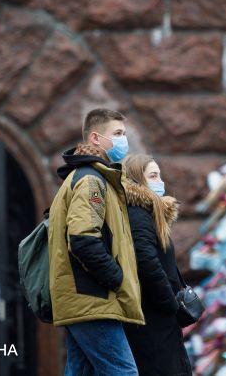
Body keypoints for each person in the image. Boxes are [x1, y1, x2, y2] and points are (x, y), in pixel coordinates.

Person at [48, 108, 144, 376]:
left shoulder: (88, 177)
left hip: (84, 298)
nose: (124, 140)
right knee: (124, 372)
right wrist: (116, 279)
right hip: (94, 298)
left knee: (80, 371)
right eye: (118, 134)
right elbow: (82, 239)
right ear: (95, 138)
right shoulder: (91, 180)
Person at [122, 154, 192, 376]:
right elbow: (146, 262)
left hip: (158, 316)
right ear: (137, 180)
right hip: (153, 317)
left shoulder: (149, 214)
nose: (160, 182)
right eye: (153, 176)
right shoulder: (138, 215)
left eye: (159, 175)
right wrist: (170, 303)